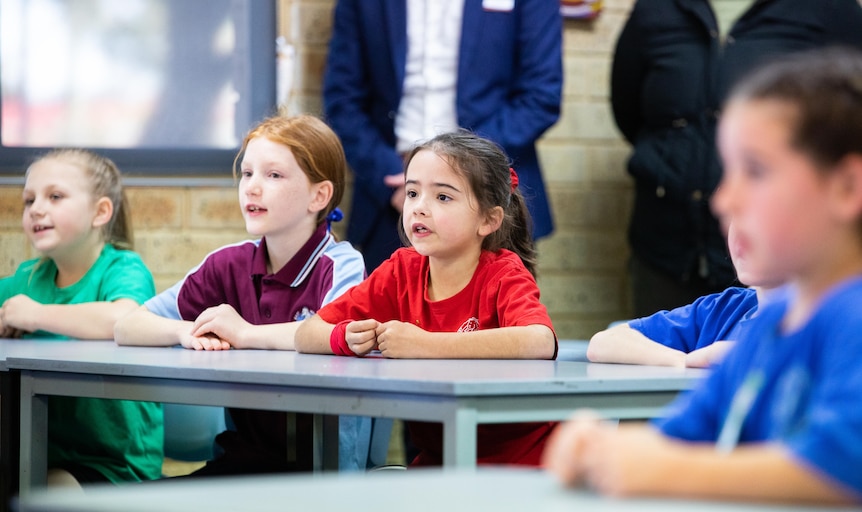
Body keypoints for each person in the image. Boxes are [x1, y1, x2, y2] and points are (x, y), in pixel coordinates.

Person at [542, 47, 862, 504]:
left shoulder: (853, 318)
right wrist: (603, 449)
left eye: (755, 171)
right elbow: (686, 432)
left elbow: (840, 468)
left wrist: (664, 470)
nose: (724, 202)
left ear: (846, 187)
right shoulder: (769, 329)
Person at [114, 114, 374, 474]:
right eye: (247, 173)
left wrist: (244, 334)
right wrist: (183, 331)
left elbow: (333, 334)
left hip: (318, 477)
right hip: (239, 464)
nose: (252, 187)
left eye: (274, 175)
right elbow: (128, 326)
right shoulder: (228, 262)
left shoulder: (341, 265)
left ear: (319, 195)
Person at [295, 130, 557, 467]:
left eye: (443, 197)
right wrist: (342, 337)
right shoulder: (401, 269)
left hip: (520, 463)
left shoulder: (503, 273)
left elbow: (539, 341)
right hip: (439, 460)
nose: (419, 208)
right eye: (413, 193)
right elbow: (307, 333)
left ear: (489, 220)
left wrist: (426, 344)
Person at [612, 0, 862, 317]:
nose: (723, 201)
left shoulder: (830, 8)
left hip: (779, 266)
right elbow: (628, 110)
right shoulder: (656, 8)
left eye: (755, 169)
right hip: (665, 243)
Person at [322, 0, 562, 272]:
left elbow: (541, 96)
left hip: (486, 194)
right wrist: (396, 178)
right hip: (392, 195)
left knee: (496, 312)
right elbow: (343, 100)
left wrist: (458, 170)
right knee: (385, 313)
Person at [0, 148, 161, 488]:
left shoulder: (122, 269)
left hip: (113, 466)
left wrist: (37, 314)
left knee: (41, 491)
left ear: (100, 212)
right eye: (29, 200)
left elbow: (124, 319)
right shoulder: (27, 278)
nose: (37, 209)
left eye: (55, 196)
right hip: (38, 455)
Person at [587, 221, 783, 368]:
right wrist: (684, 361)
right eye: (736, 215)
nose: (740, 233)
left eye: (758, 218)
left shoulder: (809, 324)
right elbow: (603, 343)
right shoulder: (724, 309)